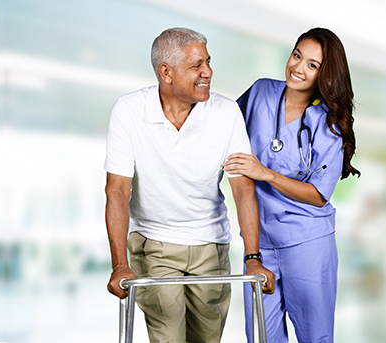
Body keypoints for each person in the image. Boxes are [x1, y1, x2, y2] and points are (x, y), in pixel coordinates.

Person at [105, 27, 275, 343]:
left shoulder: (226, 112)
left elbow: (242, 188)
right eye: (196, 65)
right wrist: (119, 264)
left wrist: (253, 257)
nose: (207, 72)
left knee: (207, 339)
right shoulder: (129, 111)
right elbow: (117, 190)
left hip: (212, 245)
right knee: (168, 335)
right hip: (155, 243)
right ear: (166, 72)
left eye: (208, 62)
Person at [223, 27, 360, 343]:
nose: (298, 68)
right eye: (297, 55)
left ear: (325, 74)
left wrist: (265, 173)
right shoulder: (260, 92)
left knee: (315, 336)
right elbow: (222, 127)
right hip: (259, 242)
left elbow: (318, 195)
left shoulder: (330, 123)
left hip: (307, 242)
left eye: (312, 65)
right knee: (261, 335)